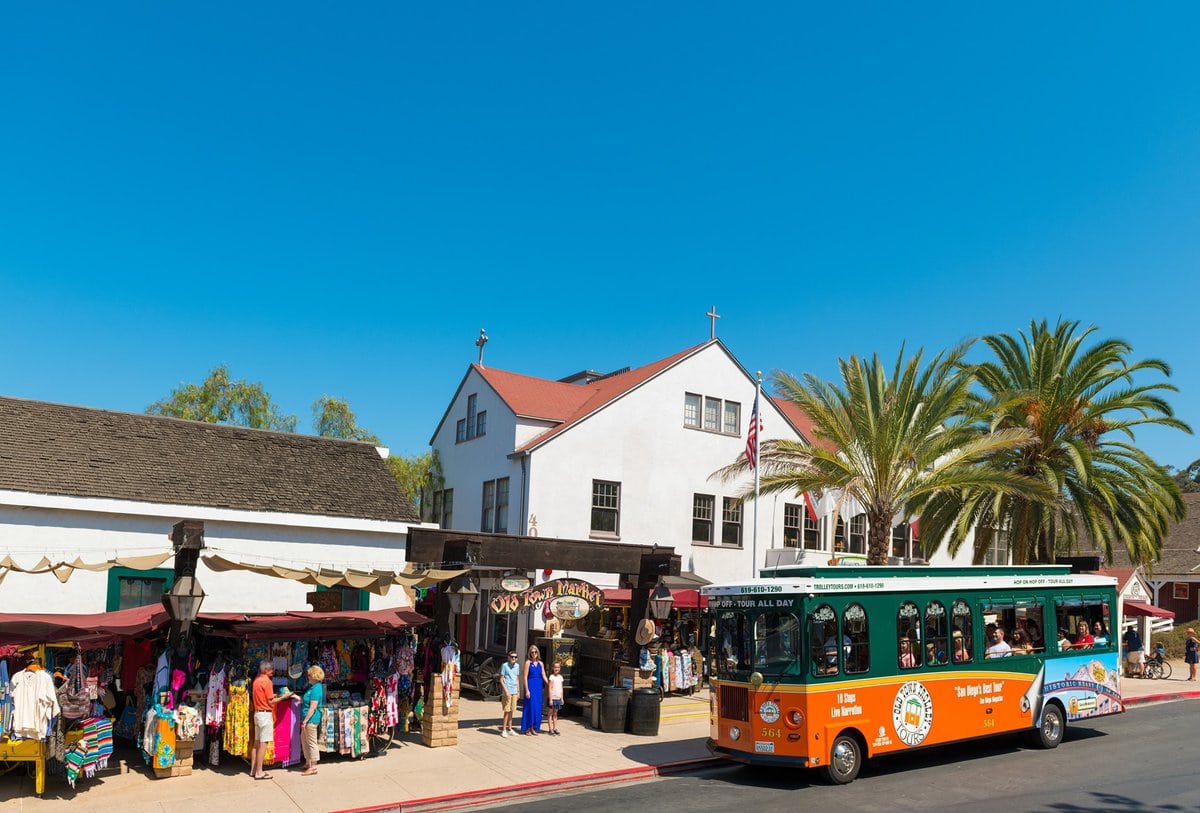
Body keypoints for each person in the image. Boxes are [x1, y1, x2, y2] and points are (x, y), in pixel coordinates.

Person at [250, 660, 286, 780]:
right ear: (266, 670)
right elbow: (271, 701)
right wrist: (283, 697)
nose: (272, 671)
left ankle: (253, 769)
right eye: (271, 669)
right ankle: (259, 771)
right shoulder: (267, 682)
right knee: (263, 744)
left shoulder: (256, 681)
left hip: (257, 713)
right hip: (265, 715)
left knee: (256, 743)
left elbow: (265, 697)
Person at [300, 665, 325, 776]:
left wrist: (305, 721)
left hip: (311, 719)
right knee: (304, 740)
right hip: (307, 718)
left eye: (309, 675)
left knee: (311, 742)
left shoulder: (316, 688)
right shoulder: (312, 687)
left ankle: (313, 766)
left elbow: (313, 707)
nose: (308, 677)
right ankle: (308, 762)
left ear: (314, 676)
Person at [520, 645, 548, 735]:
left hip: (538, 687)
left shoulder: (541, 663)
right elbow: (524, 677)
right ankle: (528, 728)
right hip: (531, 685)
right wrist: (527, 690)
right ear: (530, 653)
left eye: (535, 652)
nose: (534, 654)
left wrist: (550, 684)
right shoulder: (528, 662)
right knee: (530, 707)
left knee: (537, 707)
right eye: (532, 652)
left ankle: (534, 728)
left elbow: (543, 675)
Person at [499, 650, 520, 737]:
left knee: (512, 711)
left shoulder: (517, 666)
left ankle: (510, 728)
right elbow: (501, 679)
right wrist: (506, 691)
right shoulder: (504, 666)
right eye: (512, 657)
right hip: (507, 690)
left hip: (514, 690)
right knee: (506, 711)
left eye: (515, 657)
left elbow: (517, 679)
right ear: (508, 657)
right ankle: (503, 730)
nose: (513, 658)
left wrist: (518, 691)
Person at [546, 661, 564, 735]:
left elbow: (561, 688)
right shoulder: (551, 677)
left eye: (558, 667)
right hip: (552, 698)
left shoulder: (560, 677)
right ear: (553, 668)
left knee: (555, 713)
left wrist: (562, 698)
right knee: (550, 713)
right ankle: (550, 729)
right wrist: (550, 699)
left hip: (558, 698)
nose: (556, 669)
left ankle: (555, 727)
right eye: (555, 667)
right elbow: (549, 688)